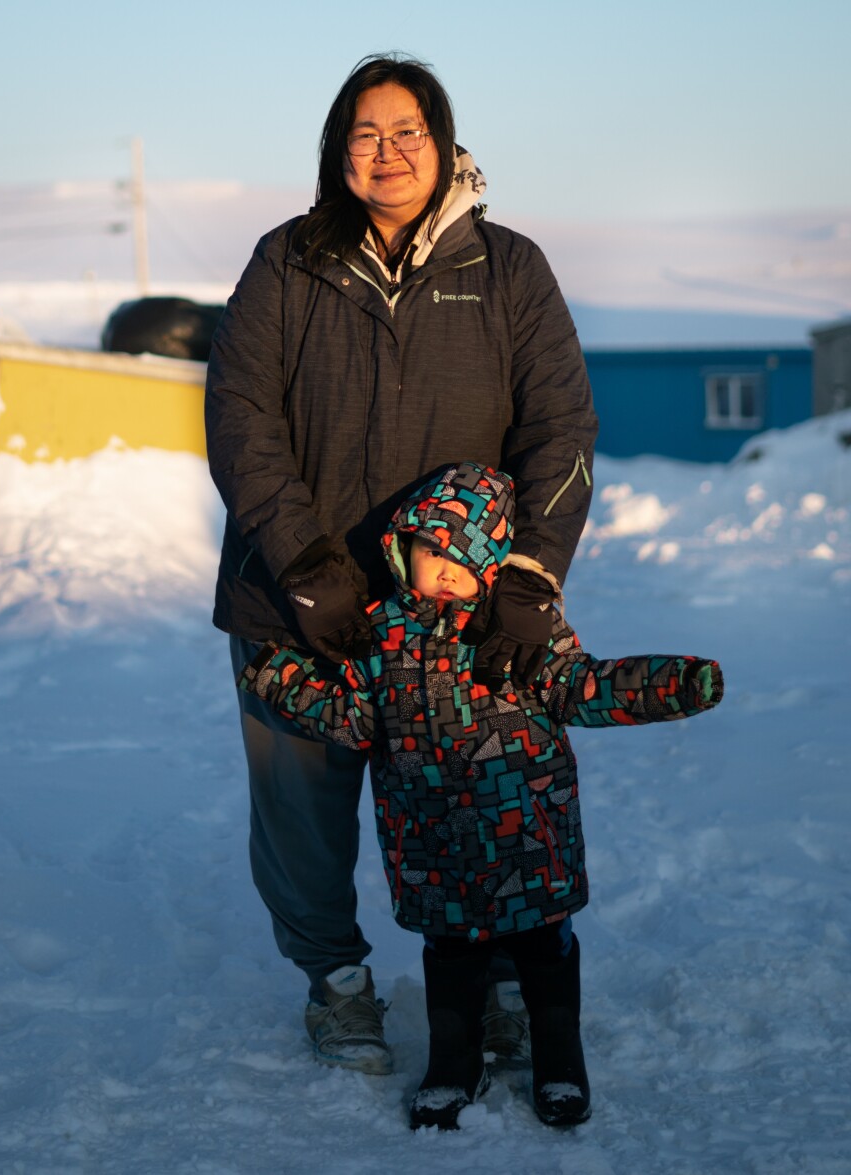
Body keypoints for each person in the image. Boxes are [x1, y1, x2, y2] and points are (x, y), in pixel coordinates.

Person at [204, 53, 599, 1075]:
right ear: (338, 151)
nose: (388, 153)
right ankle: (335, 982)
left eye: (407, 130)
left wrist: (526, 573)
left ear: (443, 140)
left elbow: (559, 427)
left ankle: (505, 979)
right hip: (298, 600)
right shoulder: (288, 261)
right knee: (302, 812)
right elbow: (240, 415)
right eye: (365, 134)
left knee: (479, 796)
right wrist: (302, 556)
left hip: (456, 604)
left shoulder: (508, 267)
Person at [237, 462, 724, 1130]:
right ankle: (452, 1065)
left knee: (544, 959)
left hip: (529, 838)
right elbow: (349, 716)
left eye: (458, 557)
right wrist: (278, 676)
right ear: (402, 547)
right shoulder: (381, 636)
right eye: (428, 549)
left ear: (492, 562)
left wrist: (670, 685)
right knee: (452, 965)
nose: (440, 566)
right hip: (435, 852)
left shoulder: (521, 633)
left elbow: (585, 686)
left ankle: (560, 1062)